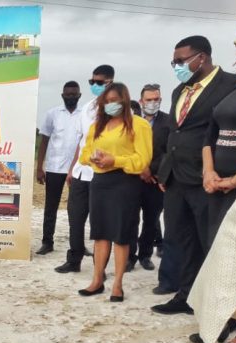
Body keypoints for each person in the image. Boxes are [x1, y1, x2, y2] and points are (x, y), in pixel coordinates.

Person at [188, 26, 236, 343]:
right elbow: (210, 133)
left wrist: (235, 180)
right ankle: (225, 316)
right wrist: (209, 170)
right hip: (216, 183)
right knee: (222, 254)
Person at [152, 36, 236, 315]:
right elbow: (175, 134)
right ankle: (186, 295)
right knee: (181, 238)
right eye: (174, 62)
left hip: (208, 177)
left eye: (181, 61)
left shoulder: (231, 85)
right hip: (176, 178)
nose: (177, 66)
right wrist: (164, 172)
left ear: (202, 57)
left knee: (210, 240)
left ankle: (217, 302)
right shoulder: (180, 91)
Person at [76, 83, 152, 302]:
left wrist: (115, 160)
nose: (110, 105)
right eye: (106, 101)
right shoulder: (98, 125)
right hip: (100, 181)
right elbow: (85, 152)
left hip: (125, 183)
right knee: (99, 233)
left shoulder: (139, 125)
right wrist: (92, 158)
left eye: (114, 101)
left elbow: (142, 160)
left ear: (125, 100)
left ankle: (117, 284)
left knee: (120, 234)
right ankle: (97, 280)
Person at [55, 65, 115, 273]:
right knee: (75, 218)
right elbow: (81, 140)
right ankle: (74, 259)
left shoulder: (117, 108)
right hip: (82, 171)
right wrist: (72, 168)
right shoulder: (88, 108)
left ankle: (100, 268)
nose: (95, 86)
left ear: (111, 82)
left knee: (101, 223)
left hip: (104, 174)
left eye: (100, 82)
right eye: (92, 82)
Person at [126, 84, 171, 273]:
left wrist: (154, 172)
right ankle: (130, 257)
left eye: (156, 99)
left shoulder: (169, 121)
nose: (153, 103)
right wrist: (140, 169)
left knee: (151, 221)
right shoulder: (130, 122)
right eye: (149, 99)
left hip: (155, 180)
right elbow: (126, 148)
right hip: (133, 179)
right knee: (130, 220)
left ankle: (145, 255)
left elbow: (168, 151)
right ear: (141, 101)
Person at [36, 81, 82, 255]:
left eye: (74, 94)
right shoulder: (52, 114)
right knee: (51, 207)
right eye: (68, 95)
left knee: (77, 209)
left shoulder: (84, 115)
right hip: (54, 167)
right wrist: (39, 167)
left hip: (77, 169)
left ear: (79, 95)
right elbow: (44, 141)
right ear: (63, 95)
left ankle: (77, 245)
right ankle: (47, 242)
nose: (71, 97)